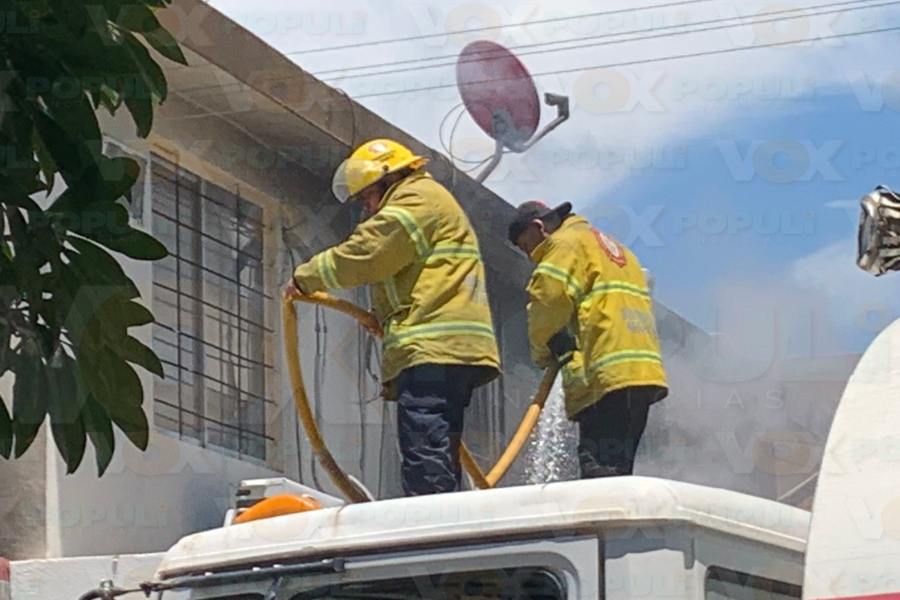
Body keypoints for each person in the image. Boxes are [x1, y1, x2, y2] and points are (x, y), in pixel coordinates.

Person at [288, 138, 500, 496]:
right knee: (437, 448)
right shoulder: (428, 200)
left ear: (386, 178)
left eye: (366, 197)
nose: (367, 208)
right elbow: (416, 274)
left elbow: (370, 252)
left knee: (425, 448)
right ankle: (449, 522)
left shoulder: (414, 199)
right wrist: (380, 317)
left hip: (433, 346)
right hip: (449, 348)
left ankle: (430, 529)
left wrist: (304, 277)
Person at [508, 200, 668, 478]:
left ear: (539, 227)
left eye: (526, 246)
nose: (529, 255)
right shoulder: (616, 249)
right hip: (641, 374)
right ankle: (620, 521)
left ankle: (601, 523)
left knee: (598, 469)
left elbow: (548, 300)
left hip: (604, 374)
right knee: (618, 469)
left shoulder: (565, 245)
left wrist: (544, 351)